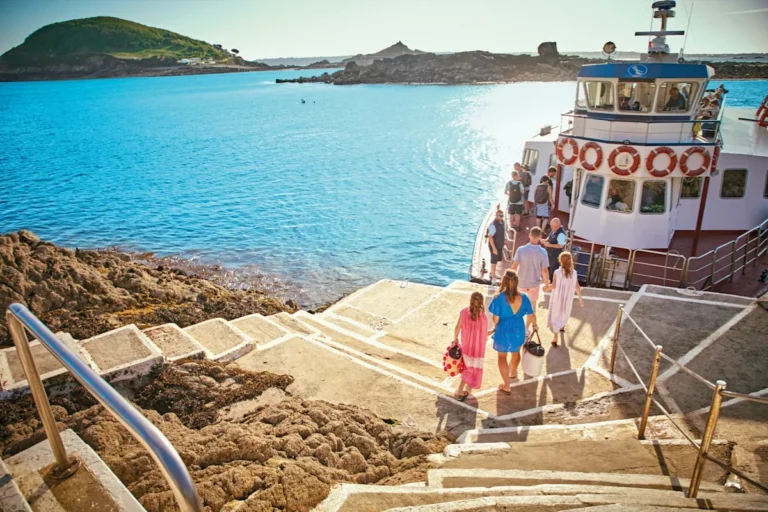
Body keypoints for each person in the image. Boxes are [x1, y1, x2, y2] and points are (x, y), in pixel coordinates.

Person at [488, 269, 538, 392]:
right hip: (518, 328)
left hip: (503, 329)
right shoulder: (524, 297)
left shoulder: (498, 298)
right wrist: (535, 325)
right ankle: (512, 373)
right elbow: (531, 315)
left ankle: (506, 384)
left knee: (502, 357)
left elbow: (495, 321)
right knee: (516, 352)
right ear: (516, 282)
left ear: (504, 281)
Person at [451, 292, 489, 401]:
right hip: (478, 348)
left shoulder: (464, 312)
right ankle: (461, 390)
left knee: (467, 367)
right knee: (474, 367)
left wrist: (455, 338)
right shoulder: (483, 316)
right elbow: (485, 333)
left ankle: (465, 390)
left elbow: (457, 327)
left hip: (467, 346)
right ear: (481, 302)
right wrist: (495, 330)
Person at [544, 252, 583, 347]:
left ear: (560, 261)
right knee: (564, 312)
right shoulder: (574, 273)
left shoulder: (557, 272)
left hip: (557, 298)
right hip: (568, 299)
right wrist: (580, 299)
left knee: (556, 314)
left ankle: (555, 337)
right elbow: (577, 286)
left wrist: (546, 288)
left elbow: (554, 286)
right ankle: (562, 326)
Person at [511, 226, 550, 312]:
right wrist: (547, 284)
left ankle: (517, 324)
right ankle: (531, 325)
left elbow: (514, 267)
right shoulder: (543, 252)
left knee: (518, 305)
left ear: (529, 235)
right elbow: (545, 271)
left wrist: (511, 283)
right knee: (532, 307)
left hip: (521, 282)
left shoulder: (520, 250)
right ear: (540, 237)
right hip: (534, 284)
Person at [487, 209, 505, 284]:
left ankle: (492, 273)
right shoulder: (493, 225)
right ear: (496, 215)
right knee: (493, 261)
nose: (501, 217)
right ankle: (493, 276)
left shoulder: (502, 222)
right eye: (499, 216)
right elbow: (490, 237)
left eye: (502, 216)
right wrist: (494, 248)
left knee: (497, 259)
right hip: (495, 245)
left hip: (500, 245)